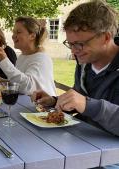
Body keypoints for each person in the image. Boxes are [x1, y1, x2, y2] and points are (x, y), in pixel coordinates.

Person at [32, 0, 119, 138]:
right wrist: (56, 101)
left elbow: (87, 104)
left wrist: (89, 105)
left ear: (106, 37)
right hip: (80, 141)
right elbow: (80, 99)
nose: (73, 51)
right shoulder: (85, 63)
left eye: (79, 44)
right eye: (70, 44)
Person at [0, 17, 56, 96]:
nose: (13, 36)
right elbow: (22, 82)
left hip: (43, 107)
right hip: (26, 104)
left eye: (18, 32)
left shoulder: (42, 59)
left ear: (32, 36)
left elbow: (28, 87)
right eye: (13, 32)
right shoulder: (22, 56)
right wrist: (5, 81)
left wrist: (4, 60)